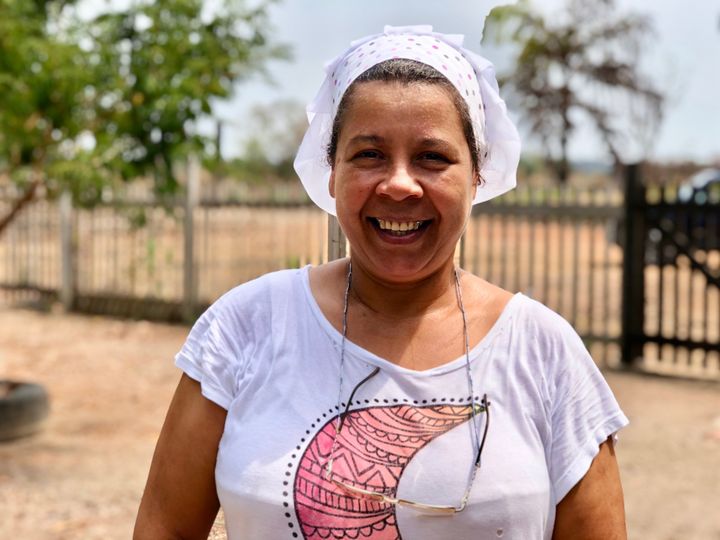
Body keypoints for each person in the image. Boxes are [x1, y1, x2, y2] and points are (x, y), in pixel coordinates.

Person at [134, 25, 628, 540]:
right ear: (331, 172)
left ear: (478, 174)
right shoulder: (246, 327)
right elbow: (163, 528)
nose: (398, 183)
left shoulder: (543, 352)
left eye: (432, 157)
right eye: (368, 154)